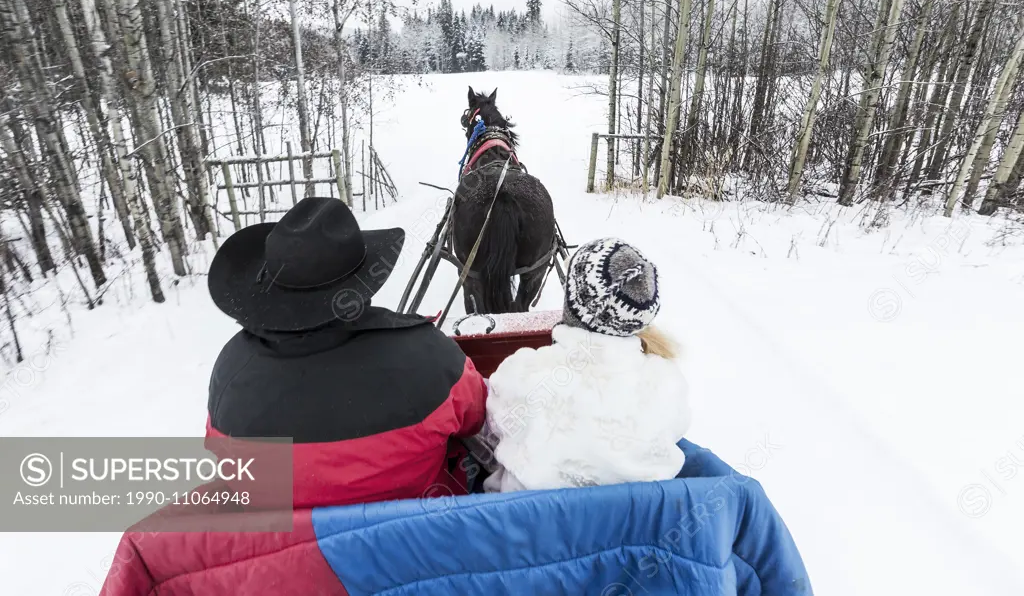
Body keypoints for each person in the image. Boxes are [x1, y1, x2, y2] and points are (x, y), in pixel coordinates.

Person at [205, 196, 487, 508]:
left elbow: (225, 464)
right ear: (363, 279)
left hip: (292, 549)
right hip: (424, 533)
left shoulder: (230, 372)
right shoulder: (430, 354)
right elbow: (476, 416)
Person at [479, 237, 691, 493]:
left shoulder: (522, 373)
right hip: (633, 524)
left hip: (528, 524)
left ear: (572, 304)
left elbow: (491, 427)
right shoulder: (668, 382)